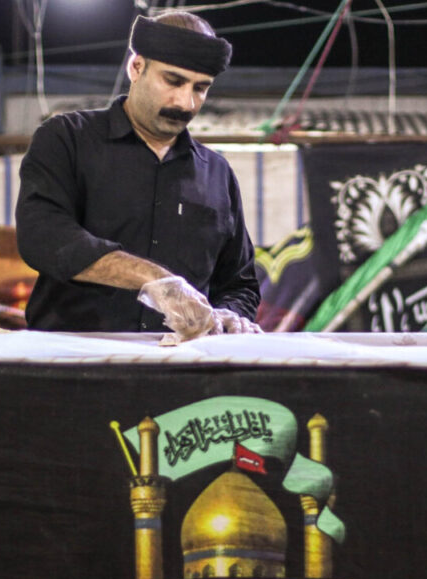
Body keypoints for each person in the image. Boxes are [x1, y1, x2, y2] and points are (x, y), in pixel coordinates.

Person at [15, 12, 261, 339]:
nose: (186, 103)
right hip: (72, 355)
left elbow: (240, 283)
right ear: (136, 67)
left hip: (182, 361)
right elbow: (43, 236)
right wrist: (153, 279)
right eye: (173, 81)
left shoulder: (217, 173)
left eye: (200, 88)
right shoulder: (67, 139)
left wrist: (230, 314)